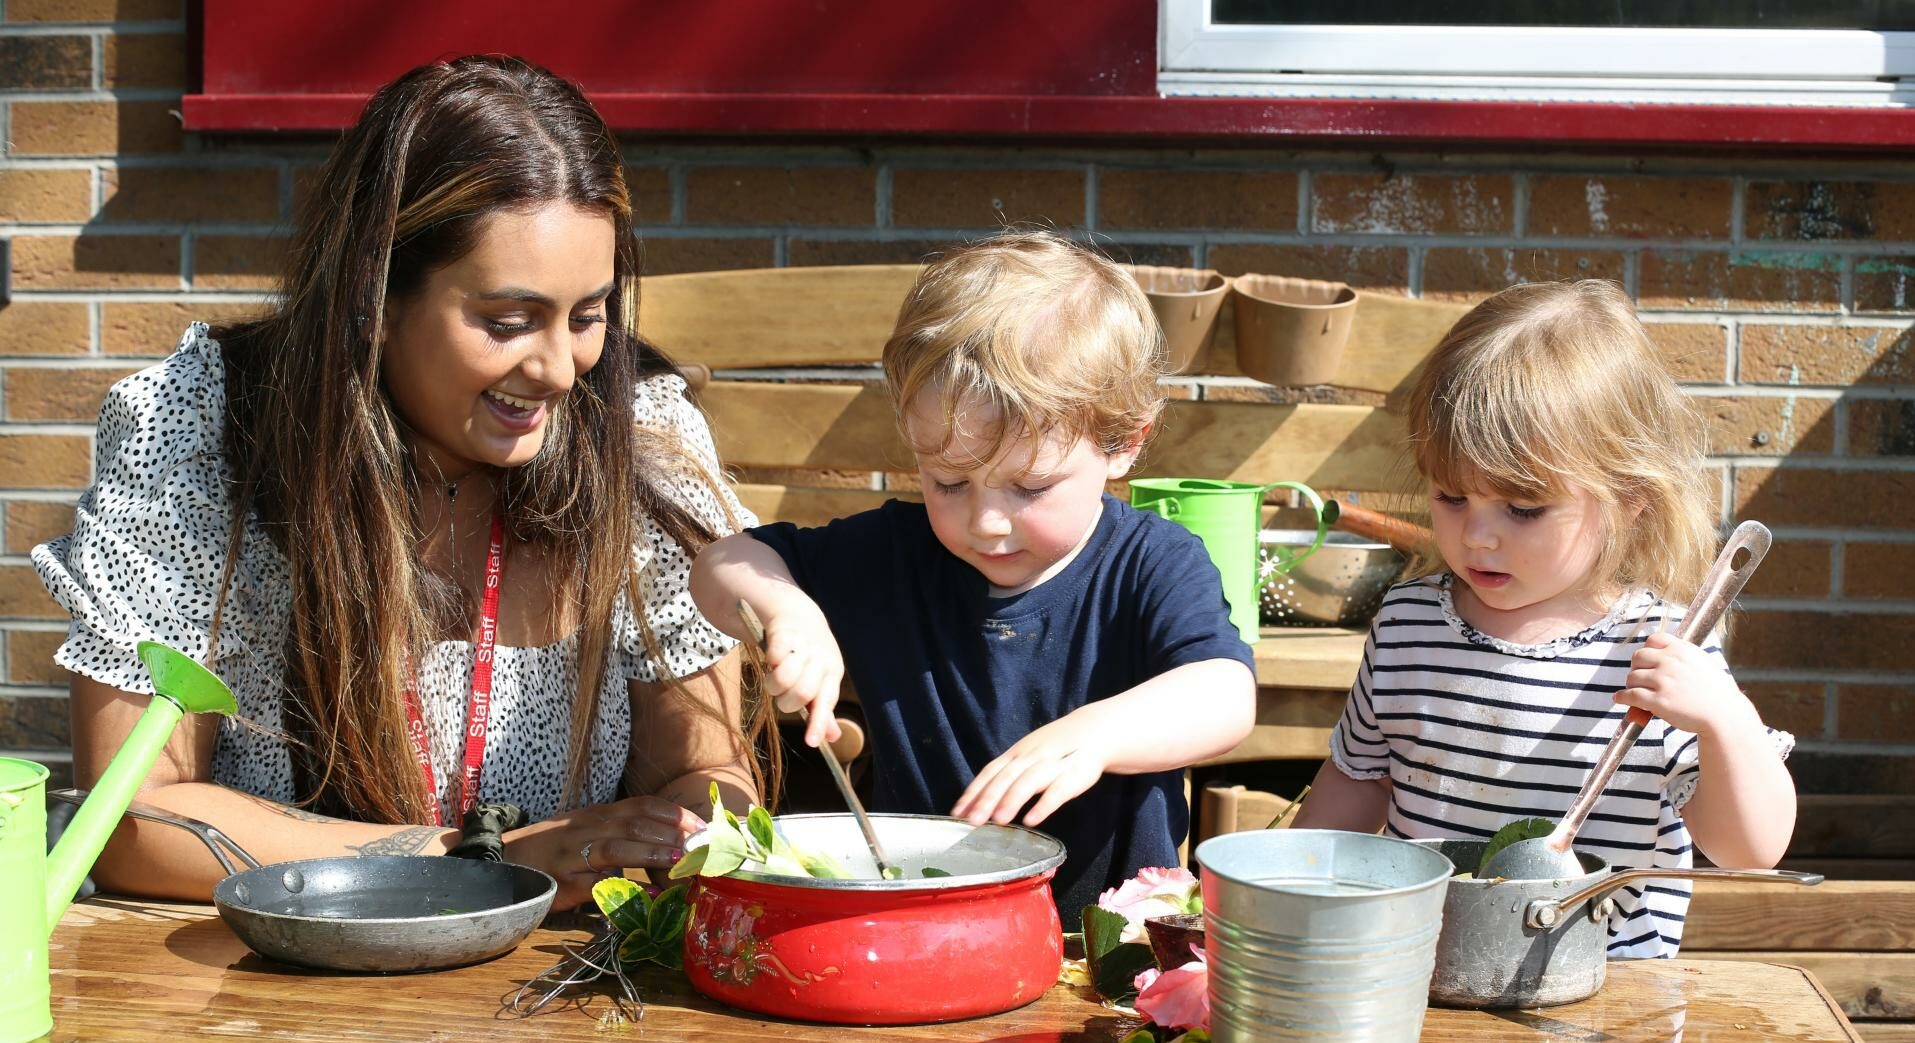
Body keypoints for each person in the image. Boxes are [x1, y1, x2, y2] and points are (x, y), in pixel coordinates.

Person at [33, 56, 772, 910]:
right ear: (373, 300)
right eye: (507, 321)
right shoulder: (203, 428)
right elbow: (135, 818)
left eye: (590, 315)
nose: (562, 368)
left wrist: (681, 836)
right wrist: (468, 862)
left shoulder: (638, 434)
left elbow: (704, 770)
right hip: (268, 983)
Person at [689, 232, 1257, 920]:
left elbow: (1225, 694)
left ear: (1123, 444)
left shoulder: (1152, 562)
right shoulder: (892, 555)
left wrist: (1098, 736)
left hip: (1110, 946)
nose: (987, 521)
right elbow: (722, 563)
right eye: (950, 481)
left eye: (1030, 486)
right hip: (916, 922)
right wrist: (788, 612)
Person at [1291, 280, 1797, 958]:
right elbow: (1360, 780)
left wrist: (1724, 721)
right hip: (1428, 973)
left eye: (1522, 509)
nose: (1477, 537)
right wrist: (1293, 895)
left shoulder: (1664, 652)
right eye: (1450, 497)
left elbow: (1748, 849)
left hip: (1611, 1001)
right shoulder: (1409, 623)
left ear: (1628, 500)